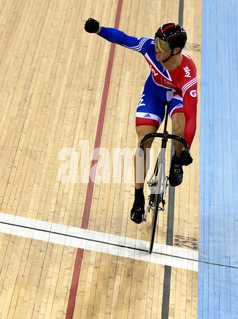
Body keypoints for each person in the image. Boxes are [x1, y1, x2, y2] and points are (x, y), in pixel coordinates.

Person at [84, 18, 198, 224]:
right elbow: (124, 39)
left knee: (179, 126)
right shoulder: (149, 48)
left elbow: (192, 114)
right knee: (144, 141)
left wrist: (186, 147)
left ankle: (175, 162)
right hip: (154, 92)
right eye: (156, 41)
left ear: (176, 50)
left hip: (178, 96)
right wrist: (99, 29)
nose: (156, 48)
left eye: (162, 46)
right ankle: (138, 197)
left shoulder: (188, 73)